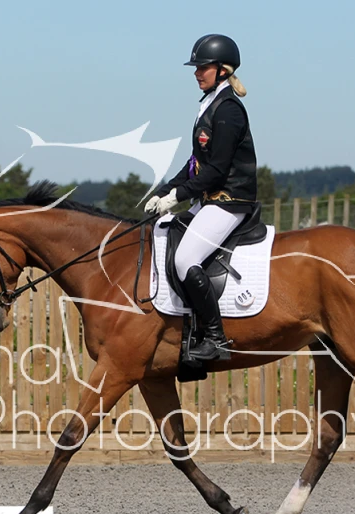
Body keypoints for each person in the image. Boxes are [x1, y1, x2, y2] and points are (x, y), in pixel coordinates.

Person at [145, 33, 259, 362]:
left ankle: (216, 339)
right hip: (210, 200)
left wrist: (178, 196)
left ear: (223, 70)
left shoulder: (228, 111)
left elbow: (218, 170)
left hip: (229, 201)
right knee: (165, 234)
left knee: (185, 260)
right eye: (196, 68)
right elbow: (196, 163)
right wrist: (165, 191)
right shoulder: (209, 106)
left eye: (203, 67)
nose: (197, 73)